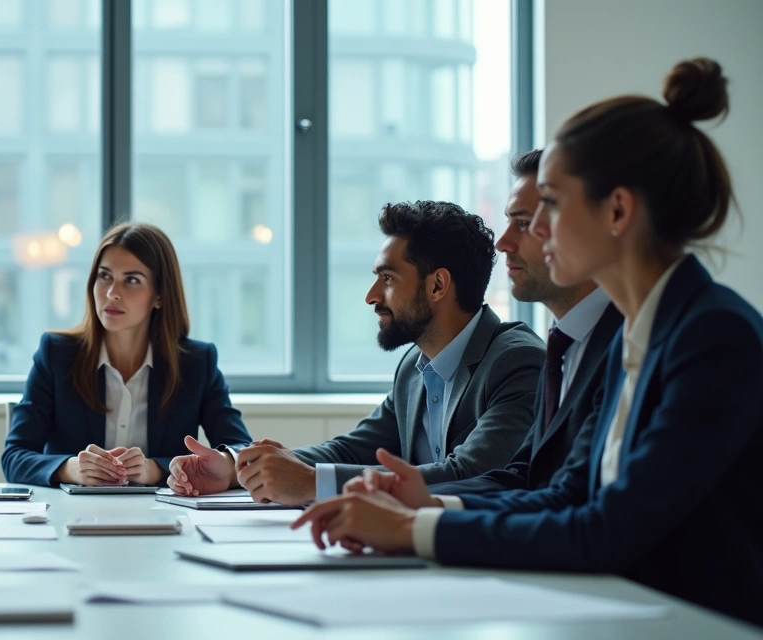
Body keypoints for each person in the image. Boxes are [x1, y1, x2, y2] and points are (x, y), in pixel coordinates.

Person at [292, 58, 763, 627]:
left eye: (554, 206)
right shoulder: (630, 339)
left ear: (617, 211)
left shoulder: (713, 336)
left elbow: (607, 527)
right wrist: (430, 507)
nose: (536, 231)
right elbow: (566, 493)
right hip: (616, 612)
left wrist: (413, 528)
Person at [167, 201, 544, 505]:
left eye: (388, 279)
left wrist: (313, 483)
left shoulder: (516, 362)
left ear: (438, 285)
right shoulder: (414, 368)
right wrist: (240, 468)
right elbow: (354, 448)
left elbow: (470, 474)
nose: (372, 296)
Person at [425, 150, 621, 497]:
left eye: (525, 223)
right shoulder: (564, 346)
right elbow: (525, 475)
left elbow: (573, 502)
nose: (501, 242)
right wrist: (414, 501)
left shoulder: (626, 344)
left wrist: (424, 521)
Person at [1, 222, 251, 487]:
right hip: (73, 518)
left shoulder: (196, 363)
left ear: (159, 295)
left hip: (163, 519)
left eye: (131, 280)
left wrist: (155, 470)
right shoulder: (56, 354)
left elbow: (240, 453)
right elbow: (14, 457)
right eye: (105, 276)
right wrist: (71, 468)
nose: (112, 293)